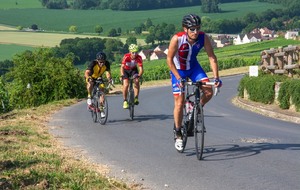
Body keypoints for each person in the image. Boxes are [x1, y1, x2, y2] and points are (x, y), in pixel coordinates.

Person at [166, 14, 222, 151]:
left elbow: (212, 57)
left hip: (194, 68)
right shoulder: (177, 38)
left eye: (197, 28)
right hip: (179, 70)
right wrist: (178, 78)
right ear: (185, 29)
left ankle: (196, 109)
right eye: (192, 29)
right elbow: (169, 60)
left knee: (208, 91)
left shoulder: (203, 37)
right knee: (179, 101)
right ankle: (178, 132)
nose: (195, 32)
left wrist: (216, 78)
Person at [84, 52, 113, 117]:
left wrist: (109, 79)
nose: (102, 63)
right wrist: (88, 78)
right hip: (91, 77)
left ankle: (101, 109)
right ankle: (89, 97)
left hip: (99, 77)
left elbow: (108, 73)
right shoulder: (93, 63)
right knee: (90, 83)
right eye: (100, 62)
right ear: (97, 60)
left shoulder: (107, 64)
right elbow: (86, 72)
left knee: (102, 90)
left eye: (103, 62)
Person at [120, 44, 143, 109]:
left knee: (136, 81)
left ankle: (136, 98)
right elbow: (121, 67)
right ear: (130, 52)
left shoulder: (139, 57)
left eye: (136, 52)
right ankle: (125, 100)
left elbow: (141, 69)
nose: (135, 54)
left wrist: (139, 75)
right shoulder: (126, 56)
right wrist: (122, 75)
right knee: (126, 85)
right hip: (126, 70)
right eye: (133, 52)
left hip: (133, 70)